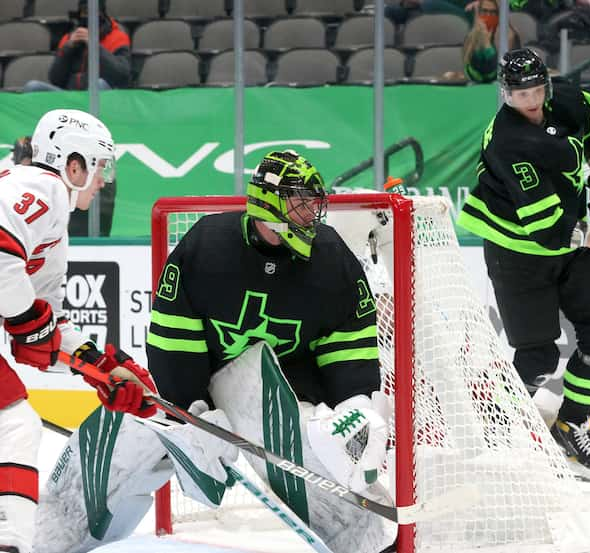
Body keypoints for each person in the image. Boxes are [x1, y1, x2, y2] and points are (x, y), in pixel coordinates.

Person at [32, 151, 395, 553]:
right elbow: (173, 345)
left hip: (285, 393)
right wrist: (192, 415)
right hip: (197, 390)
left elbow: (349, 350)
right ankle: (50, 538)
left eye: (313, 201)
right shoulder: (207, 247)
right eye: (299, 201)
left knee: (318, 450)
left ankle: (370, 542)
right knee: (119, 433)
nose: (311, 211)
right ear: (268, 203)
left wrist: (351, 410)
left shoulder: (332, 260)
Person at [457, 48, 590, 483]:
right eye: (522, 94)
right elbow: (547, 229)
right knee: (538, 357)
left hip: (566, 240)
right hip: (517, 249)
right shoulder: (509, 141)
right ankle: (496, 434)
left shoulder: (564, 100)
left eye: (539, 89)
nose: (533, 101)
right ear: (505, 94)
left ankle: (571, 426)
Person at [0, 109, 156, 553]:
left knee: (13, 425)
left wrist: (100, 367)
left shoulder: (48, 212)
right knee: (14, 426)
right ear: (74, 165)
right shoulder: (39, 187)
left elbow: (46, 322)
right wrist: (27, 317)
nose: (103, 180)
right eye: (99, 166)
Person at [23, 0, 130, 92]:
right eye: (84, 12)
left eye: (93, 12)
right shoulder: (69, 37)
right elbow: (55, 79)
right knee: (33, 86)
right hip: (70, 96)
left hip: (99, 96)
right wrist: (68, 49)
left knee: (99, 84)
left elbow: (121, 75)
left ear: (102, 13)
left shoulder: (117, 37)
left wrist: (95, 47)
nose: (88, 16)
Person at [463, 0, 521, 83]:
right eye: (484, 11)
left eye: (493, 12)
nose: (488, 15)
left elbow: (499, 72)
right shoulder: (470, 37)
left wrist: (487, 45)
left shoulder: (508, 37)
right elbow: (471, 73)